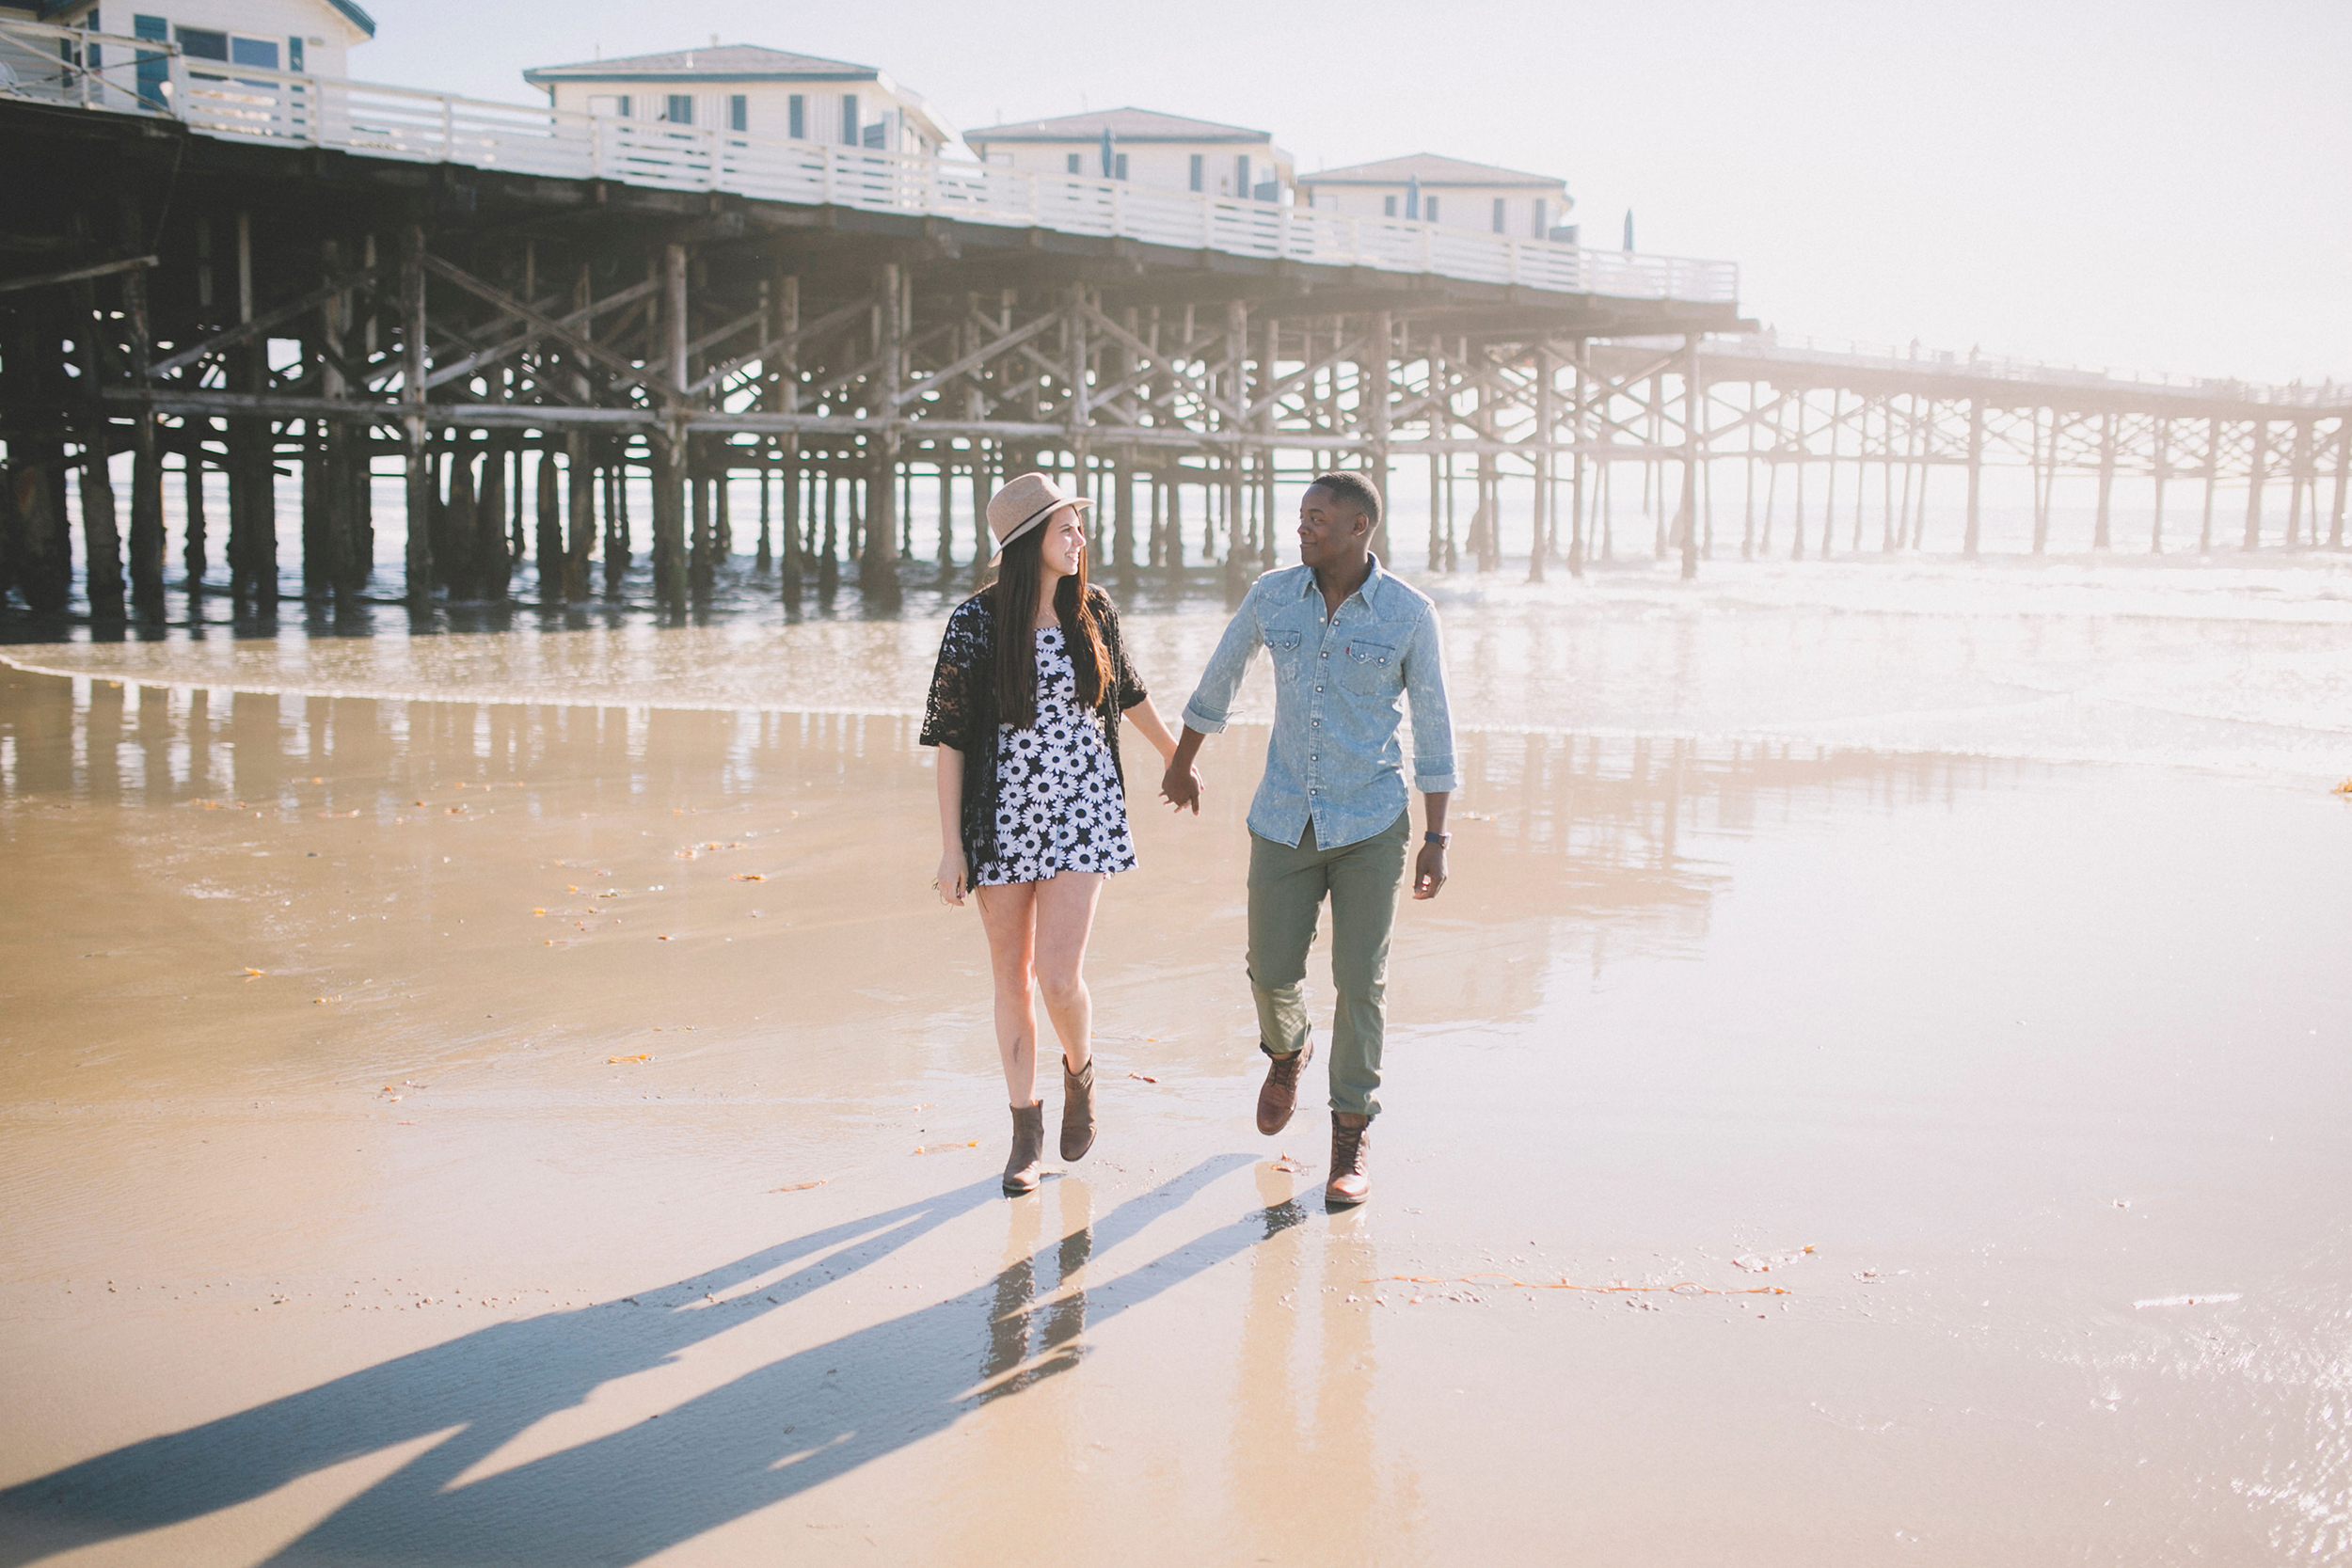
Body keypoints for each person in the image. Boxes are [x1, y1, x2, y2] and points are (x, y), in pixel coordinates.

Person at [1161, 471, 1455, 1208]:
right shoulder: (1272, 595)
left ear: (1360, 528)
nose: (1304, 528)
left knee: (1361, 983)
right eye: (1301, 516)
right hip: (1285, 815)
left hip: (1370, 824)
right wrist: (1183, 762)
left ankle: (1350, 1137)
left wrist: (1437, 835)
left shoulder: (1409, 614)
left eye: (1318, 518)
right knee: (1270, 969)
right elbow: (1220, 676)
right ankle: (1287, 1053)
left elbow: (1435, 725)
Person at [921, 471, 1189, 1196]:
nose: (1080, 538)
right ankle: (1024, 1132)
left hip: (1082, 814)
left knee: (1060, 976)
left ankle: (1081, 1072)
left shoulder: (1092, 611)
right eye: (1066, 527)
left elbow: (1130, 693)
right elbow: (949, 740)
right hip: (1001, 820)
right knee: (1012, 978)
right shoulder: (974, 624)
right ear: (1027, 542)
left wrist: (1176, 758)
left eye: (1078, 525)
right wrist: (951, 846)